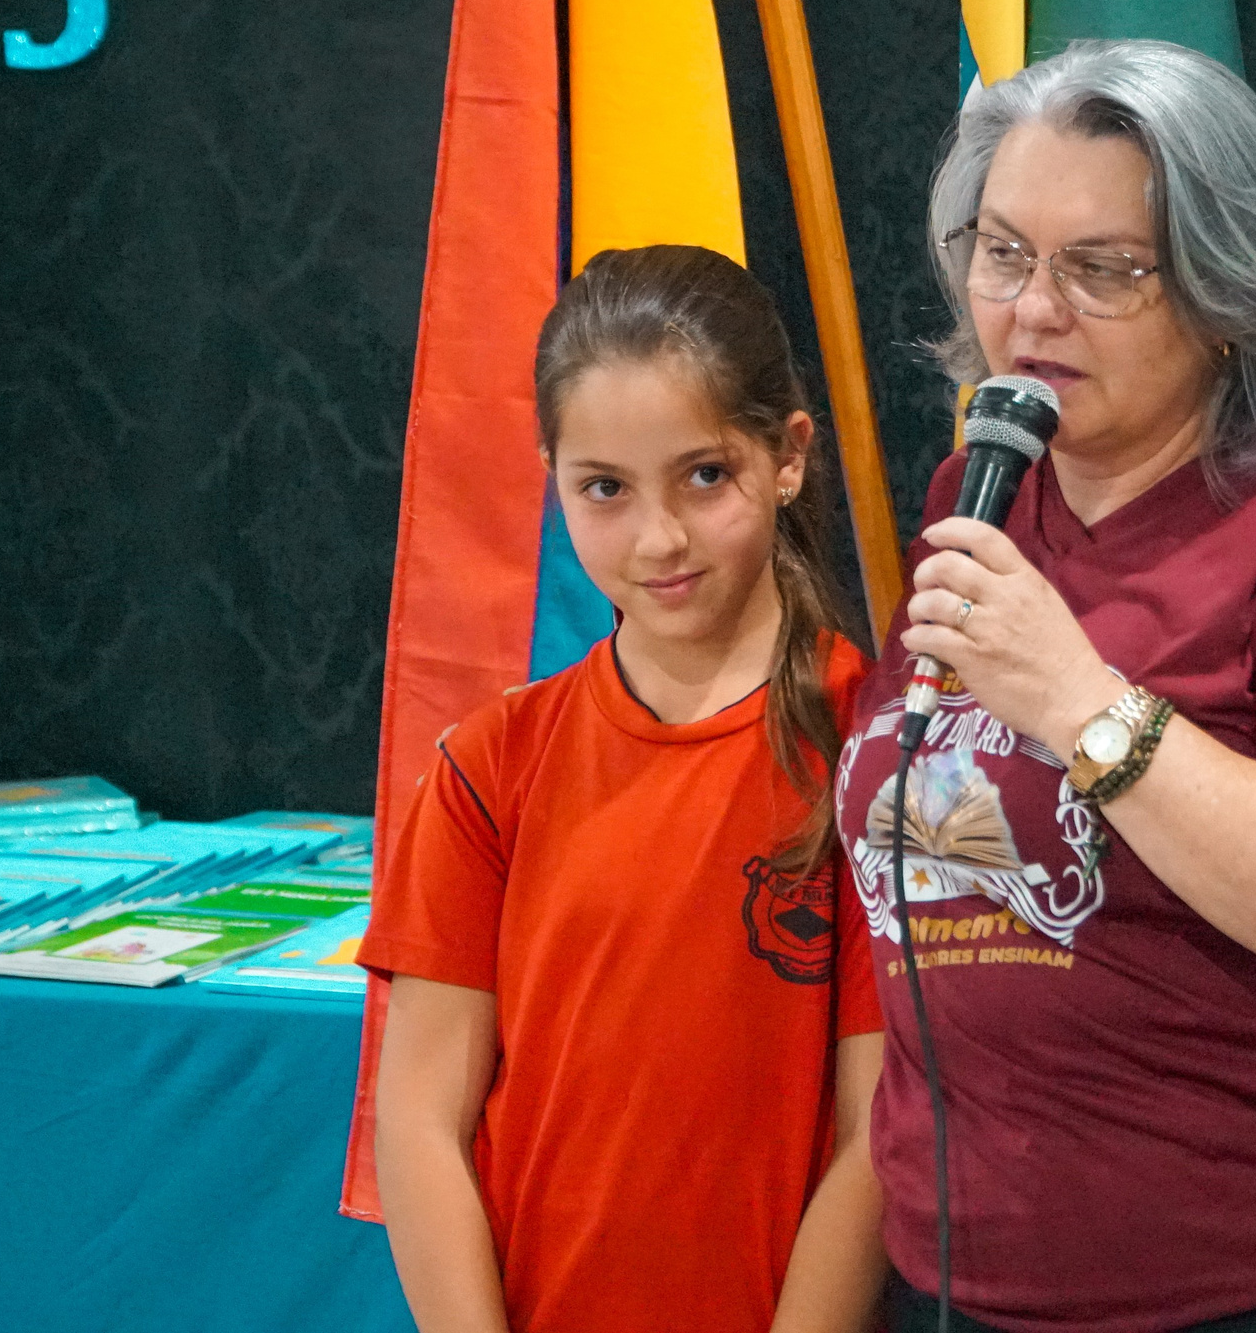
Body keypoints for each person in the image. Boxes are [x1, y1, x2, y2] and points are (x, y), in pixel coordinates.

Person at [833, 40, 1256, 1332]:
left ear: (1227, 294)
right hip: (973, 1283)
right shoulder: (978, 501)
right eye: (1002, 254)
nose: (1033, 312)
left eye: (1101, 270)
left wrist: (1082, 699)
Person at [361, 245, 888, 1333]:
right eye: (605, 488)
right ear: (553, 476)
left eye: (704, 475)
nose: (658, 538)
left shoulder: (879, 753)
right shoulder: (491, 764)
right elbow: (417, 1116)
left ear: (787, 455)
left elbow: (878, 1135)